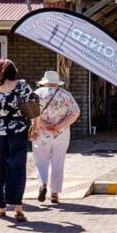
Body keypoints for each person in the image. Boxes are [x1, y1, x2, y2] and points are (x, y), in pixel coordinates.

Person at [0, 58, 37, 221]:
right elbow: (32, 107)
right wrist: (35, 127)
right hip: (18, 131)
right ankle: (18, 206)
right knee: (18, 168)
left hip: (0, 132)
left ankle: (0, 206)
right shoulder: (22, 86)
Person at [32, 70, 81, 204]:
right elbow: (75, 112)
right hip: (61, 133)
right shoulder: (65, 94)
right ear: (57, 82)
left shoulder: (37, 94)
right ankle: (54, 193)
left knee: (41, 160)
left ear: (45, 82)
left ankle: (42, 184)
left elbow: (31, 113)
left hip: (41, 132)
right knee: (58, 161)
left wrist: (43, 124)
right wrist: (60, 125)